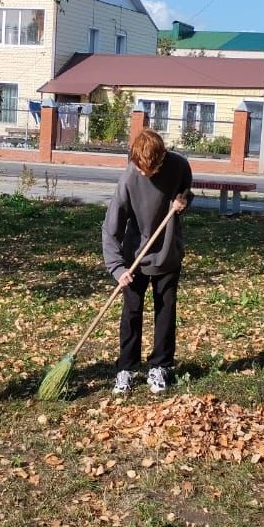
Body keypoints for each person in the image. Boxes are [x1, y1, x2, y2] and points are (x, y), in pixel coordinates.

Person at [102, 128, 193, 395]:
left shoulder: (179, 166)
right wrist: (117, 267)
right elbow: (110, 229)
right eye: (139, 168)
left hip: (168, 252)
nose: (144, 174)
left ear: (162, 159)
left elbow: (187, 192)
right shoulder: (130, 178)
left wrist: (183, 202)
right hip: (134, 258)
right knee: (131, 312)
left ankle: (160, 366)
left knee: (166, 309)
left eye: (148, 170)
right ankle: (126, 369)